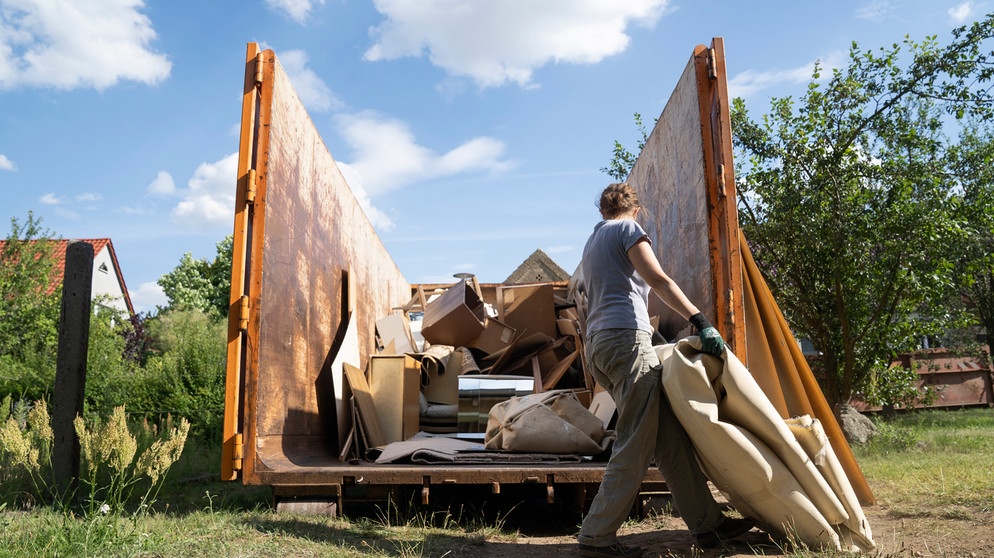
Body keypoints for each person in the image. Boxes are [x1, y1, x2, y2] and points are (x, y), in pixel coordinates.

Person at [577, 182, 754, 558]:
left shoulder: (593, 241)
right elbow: (657, 279)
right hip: (626, 342)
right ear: (636, 210)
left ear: (602, 210)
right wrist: (699, 319)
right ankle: (596, 536)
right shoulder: (627, 230)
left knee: (668, 440)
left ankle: (709, 526)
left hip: (602, 345)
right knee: (635, 441)